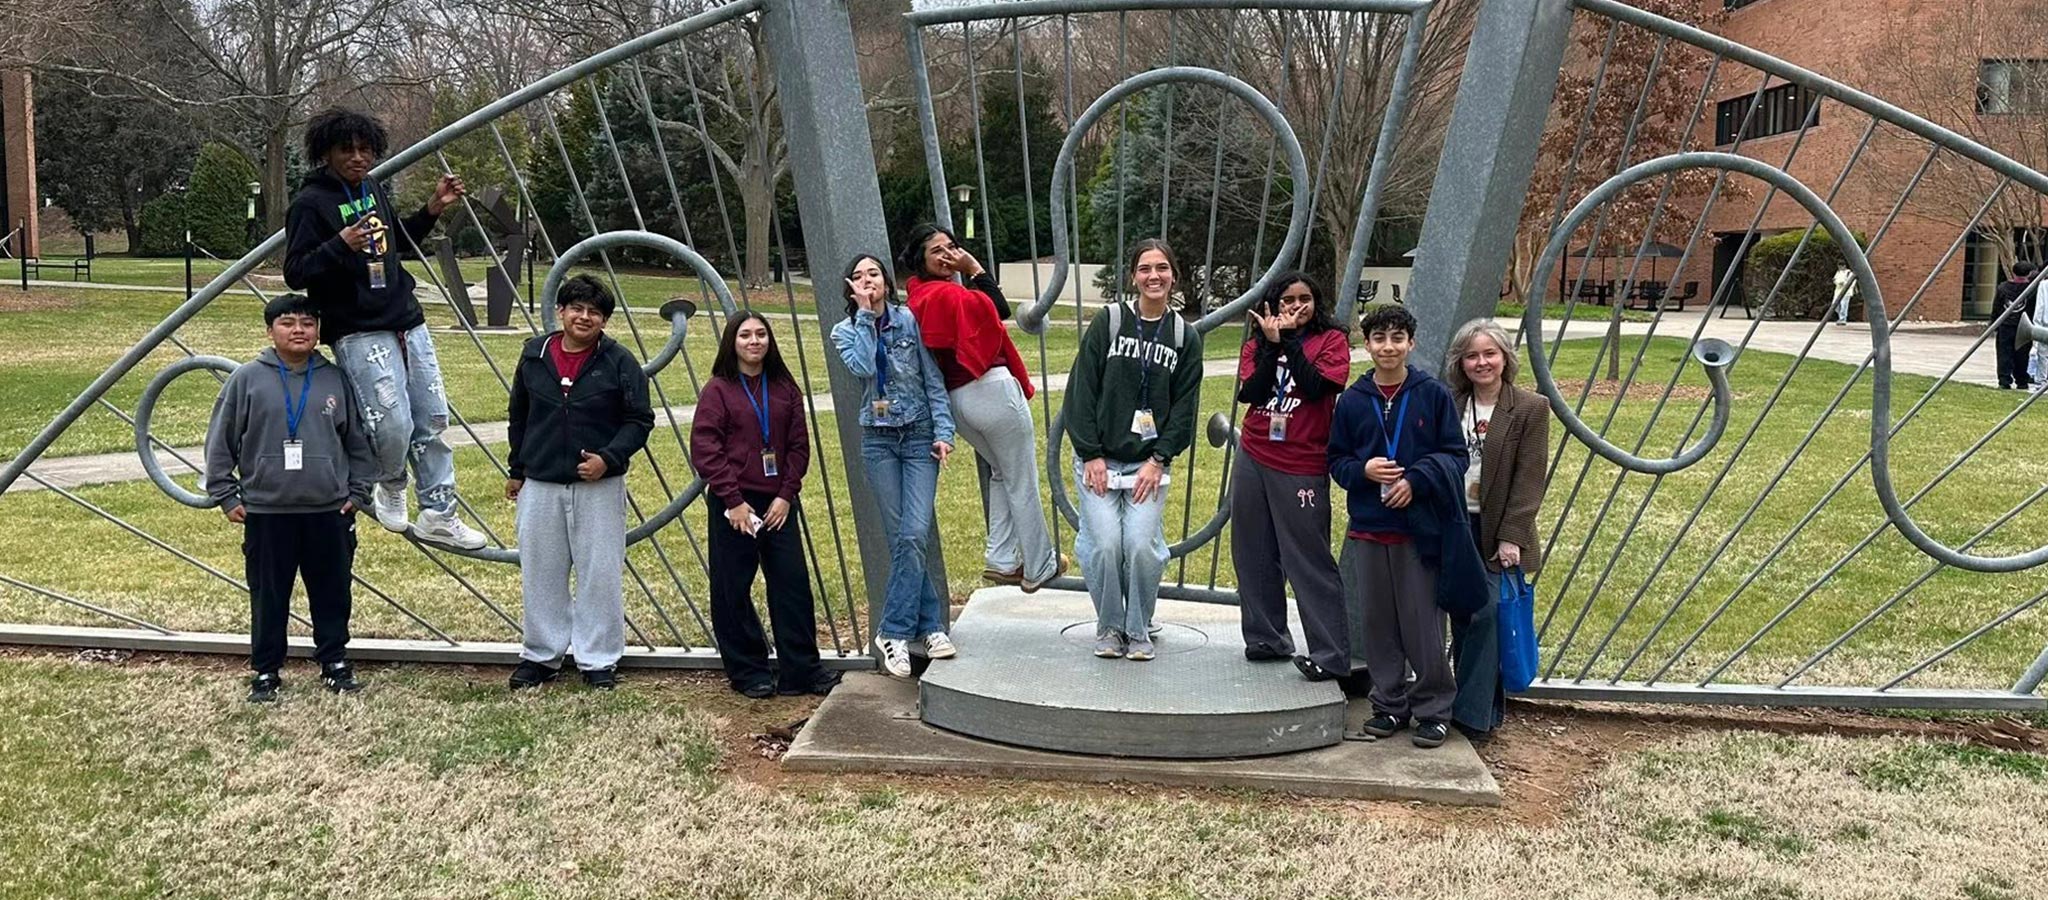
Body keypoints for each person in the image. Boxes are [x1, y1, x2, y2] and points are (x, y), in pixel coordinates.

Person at [282, 106, 485, 550]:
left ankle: (439, 511)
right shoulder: (309, 204)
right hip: (357, 328)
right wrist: (340, 244)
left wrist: (432, 209)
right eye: (347, 150)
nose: (358, 158)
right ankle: (391, 481)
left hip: (406, 319)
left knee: (431, 417)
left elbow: (397, 240)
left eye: (366, 150)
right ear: (326, 153)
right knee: (392, 424)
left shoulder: (372, 187)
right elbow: (295, 271)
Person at [204, 294, 378, 702]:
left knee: (333, 591)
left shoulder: (336, 378)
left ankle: (334, 662)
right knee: (269, 594)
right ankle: (266, 670)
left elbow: (358, 442)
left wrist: (358, 491)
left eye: (307, 322)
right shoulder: (247, 379)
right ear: (270, 331)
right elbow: (221, 441)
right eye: (287, 323)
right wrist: (225, 495)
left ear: (318, 330)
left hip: (328, 509)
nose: (298, 330)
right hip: (267, 510)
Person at [1328, 303, 1483, 750]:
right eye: (1379, 339)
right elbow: (1336, 461)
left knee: (1422, 624)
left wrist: (1416, 480)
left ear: (1411, 344)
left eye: (1397, 338)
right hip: (1369, 528)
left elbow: (1455, 456)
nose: (1388, 347)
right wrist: (1364, 471)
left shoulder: (1431, 394)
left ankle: (1433, 708)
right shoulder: (1354, 400)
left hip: (1419, 530)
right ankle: (1388, 703)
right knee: (1378, 624)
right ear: (1367, 344)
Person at [504, 275, 654, 691]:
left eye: (594, 312)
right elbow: (519, 414)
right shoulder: (534, 356)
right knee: (541, 571)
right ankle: (540, 655)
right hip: (541, 481)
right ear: (562, 311)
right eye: (577, 308)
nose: (584, 317)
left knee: (599, 572)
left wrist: (609, 458)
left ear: (604, 320)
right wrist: (517, 469)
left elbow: (640, 419)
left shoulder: (619, 361)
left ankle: (598, 658)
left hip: (599, 486)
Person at [900, 224, 1066, 592]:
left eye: (952, 247)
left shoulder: (916, 300)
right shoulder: (950, 295)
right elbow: (999, 309)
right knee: (1022, 477)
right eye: (937, 252)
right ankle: (1040, 563)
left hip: (958, 402)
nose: (947, 256)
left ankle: (1002, 558)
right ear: (920, 261)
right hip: (991, 389)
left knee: (1002, 474)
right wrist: (974, 268)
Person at [1063, 239, 1206, 661]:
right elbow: (1081, 391)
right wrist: (1090, 454)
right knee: (1105, 544)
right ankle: (1110, 626)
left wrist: (1157, 460)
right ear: (1133, 277)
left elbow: (1184, 409)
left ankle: (1138, 627)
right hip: (1100, 459)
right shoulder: (1109, 322)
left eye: (1162, 267)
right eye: (1145, 268)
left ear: (1173, 275)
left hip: (1148, 465)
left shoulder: (1184, 336)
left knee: (1142, 546)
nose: (1154, 276)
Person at [691, 311, 841, 699]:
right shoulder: (718, 390)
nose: (754, 341)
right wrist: (734, 502)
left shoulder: (785, 388)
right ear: (732, 342)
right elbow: (707, 450)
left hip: (777, 504)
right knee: (732, 587)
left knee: (791, 584)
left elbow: (798, 446)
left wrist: (786, 495)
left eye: (761, 334)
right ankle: (748, 671)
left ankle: (801, 671)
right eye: (745, 335)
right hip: (733, 505)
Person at [831, 254, 957, 678]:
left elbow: (931, 379)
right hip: (879, 441)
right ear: (851, 286)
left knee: (915, 531)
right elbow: (865, 367)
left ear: (886, 280)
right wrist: (866, 317)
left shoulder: (909, 320)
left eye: (875, 274)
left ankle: (893, 631)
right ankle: (931, 628)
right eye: (860, 276)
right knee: (902, 536)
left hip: (919, 434)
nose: (869, 281)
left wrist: (944, 431)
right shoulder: (844, 331)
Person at [1230, 271, 1352, 682]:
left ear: (1317, 301)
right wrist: (1270, 346)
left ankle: (1331, 653)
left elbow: (1317, 388)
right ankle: (1266, 637)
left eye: (1305, 298)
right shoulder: (1256, 344)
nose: (1296, 305)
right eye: (1287, 300)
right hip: (1255, 452)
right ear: (1273, 305)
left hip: (1300, 462)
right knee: (1254, 550)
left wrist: (1292, 342)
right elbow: (1254, 394)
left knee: (1308, 558)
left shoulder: (1331, 341)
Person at [1442, 318, 1550, 741]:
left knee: (1487, 614)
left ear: (1505, 357)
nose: (1481, 362)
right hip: (1456, 524)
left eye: (1490, 353)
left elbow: (1529, 479)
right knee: (1463, 615)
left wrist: (1512, 536)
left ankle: (1471, 714)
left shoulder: (1529, 407)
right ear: (1461, 362)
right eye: (1472, 355)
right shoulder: (1450, 402)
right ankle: (1478, 708)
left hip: (1496, 529)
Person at [1993, 261, 2037, 391]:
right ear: (2029, 274)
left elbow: (1996, 307)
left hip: (2005, 325)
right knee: (2022, 354)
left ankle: (2004, 380)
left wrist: (1994, 323)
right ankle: (2021, 380)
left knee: (2004, 353)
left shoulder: (2003, 288)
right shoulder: (2032, 289)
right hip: (2024, 326)